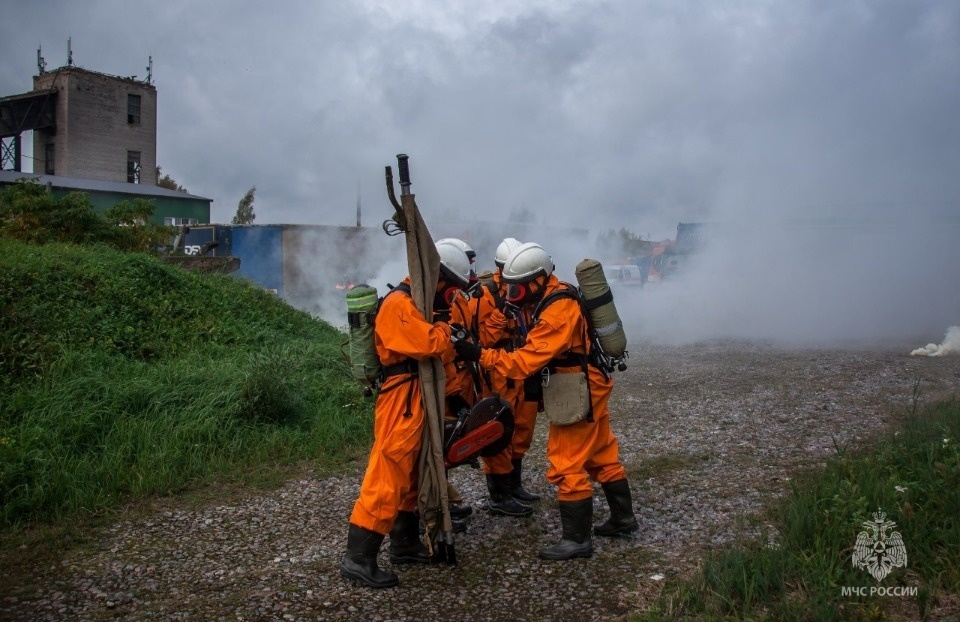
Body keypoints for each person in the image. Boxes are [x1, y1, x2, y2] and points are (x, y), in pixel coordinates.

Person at [454, 242, 639, 561]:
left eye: (518, 288)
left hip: (576, 385)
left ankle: (576, 540)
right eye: (509, 289)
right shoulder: (552, 296)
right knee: (601, 455)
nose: (514, 295)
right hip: (584, 381)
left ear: (539, 279)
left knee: (565, 461)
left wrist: (481, 355)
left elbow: (525, 361)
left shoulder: (557, 310)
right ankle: (623, 518)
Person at [340, 242, 473, 588]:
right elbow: (429, 343)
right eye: (453, 287)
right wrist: (447, 332)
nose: (453, 297)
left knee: (414, 473)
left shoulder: (418, 305)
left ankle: (404, 543)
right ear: (438, 278)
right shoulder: (398, 304)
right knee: (388, 474)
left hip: (418, 395)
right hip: (402, 398)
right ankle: (359, 558)